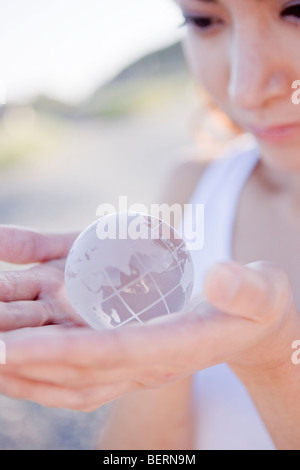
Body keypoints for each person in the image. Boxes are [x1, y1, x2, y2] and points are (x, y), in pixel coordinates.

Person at [0, 0, 300, 450]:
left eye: (296, 11)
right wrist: (163, 359)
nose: (245, 88)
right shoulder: (194, 187)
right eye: (204, 20)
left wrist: (273, 361)